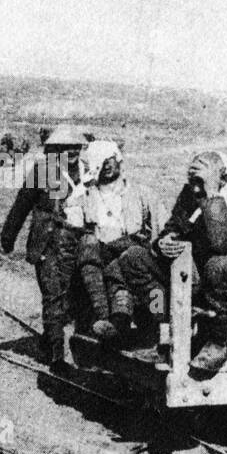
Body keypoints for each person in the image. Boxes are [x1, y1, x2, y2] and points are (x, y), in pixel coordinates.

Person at [117, 151, 227, 372]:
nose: (196, 188)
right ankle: (160, 329)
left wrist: (212, 196)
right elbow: (172, 227)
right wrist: (163, 243)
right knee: (133, 258)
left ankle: (217, 343)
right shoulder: (190, 196)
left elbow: (222, 243)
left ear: (223, 178)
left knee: (220, 265)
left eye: (201, 182)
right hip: (200, 285)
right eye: (193, 182)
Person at [0, 125, 90, 372]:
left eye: (76, 147)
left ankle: (57, 341)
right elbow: (22, 205)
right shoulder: (42, 171)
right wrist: (8, 237)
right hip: (48, 243)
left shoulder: (88, 172)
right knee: (53, 296)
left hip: (79, 243)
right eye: (64, 147)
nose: (71, 152)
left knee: (75, 297)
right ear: (54, 149)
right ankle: (57, 357)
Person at [74, 141, 164, 343]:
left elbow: (161, 229)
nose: (106, 165)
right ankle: (107, 318)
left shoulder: (142, 193)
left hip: (133, 258)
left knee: (127, 266)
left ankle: (123, 323)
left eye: (110, 159)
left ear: (118, 160)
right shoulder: (86, 195)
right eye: (100, 161)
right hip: (98, 264)